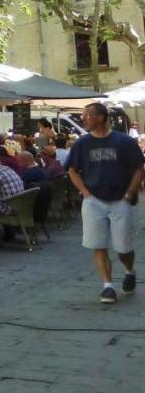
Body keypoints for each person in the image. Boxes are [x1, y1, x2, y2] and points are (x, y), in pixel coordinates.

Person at [67, 102, 145, 304]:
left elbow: (139, 168)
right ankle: (107, 286)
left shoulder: (124, 141)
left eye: (87, 115)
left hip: (120, 200)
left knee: (123, 247)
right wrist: (85, 193)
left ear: (100, 117)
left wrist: (129, 194)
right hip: (94, 200)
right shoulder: (82, 144)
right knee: (98, 245)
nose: (83, 119)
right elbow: (72, 169)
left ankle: (129, 270)